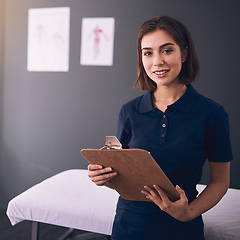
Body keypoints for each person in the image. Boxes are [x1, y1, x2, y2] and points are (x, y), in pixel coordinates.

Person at [87, 16, 232, 240]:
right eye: (148, 53)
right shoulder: (129, 111)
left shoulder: (212, 114)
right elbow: (121, 170)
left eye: (166, 50)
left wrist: (189, 213)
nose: (157, 62)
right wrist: (103, 176)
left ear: (184, 54)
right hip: (128, 225)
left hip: (182, 228)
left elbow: (221, 181)